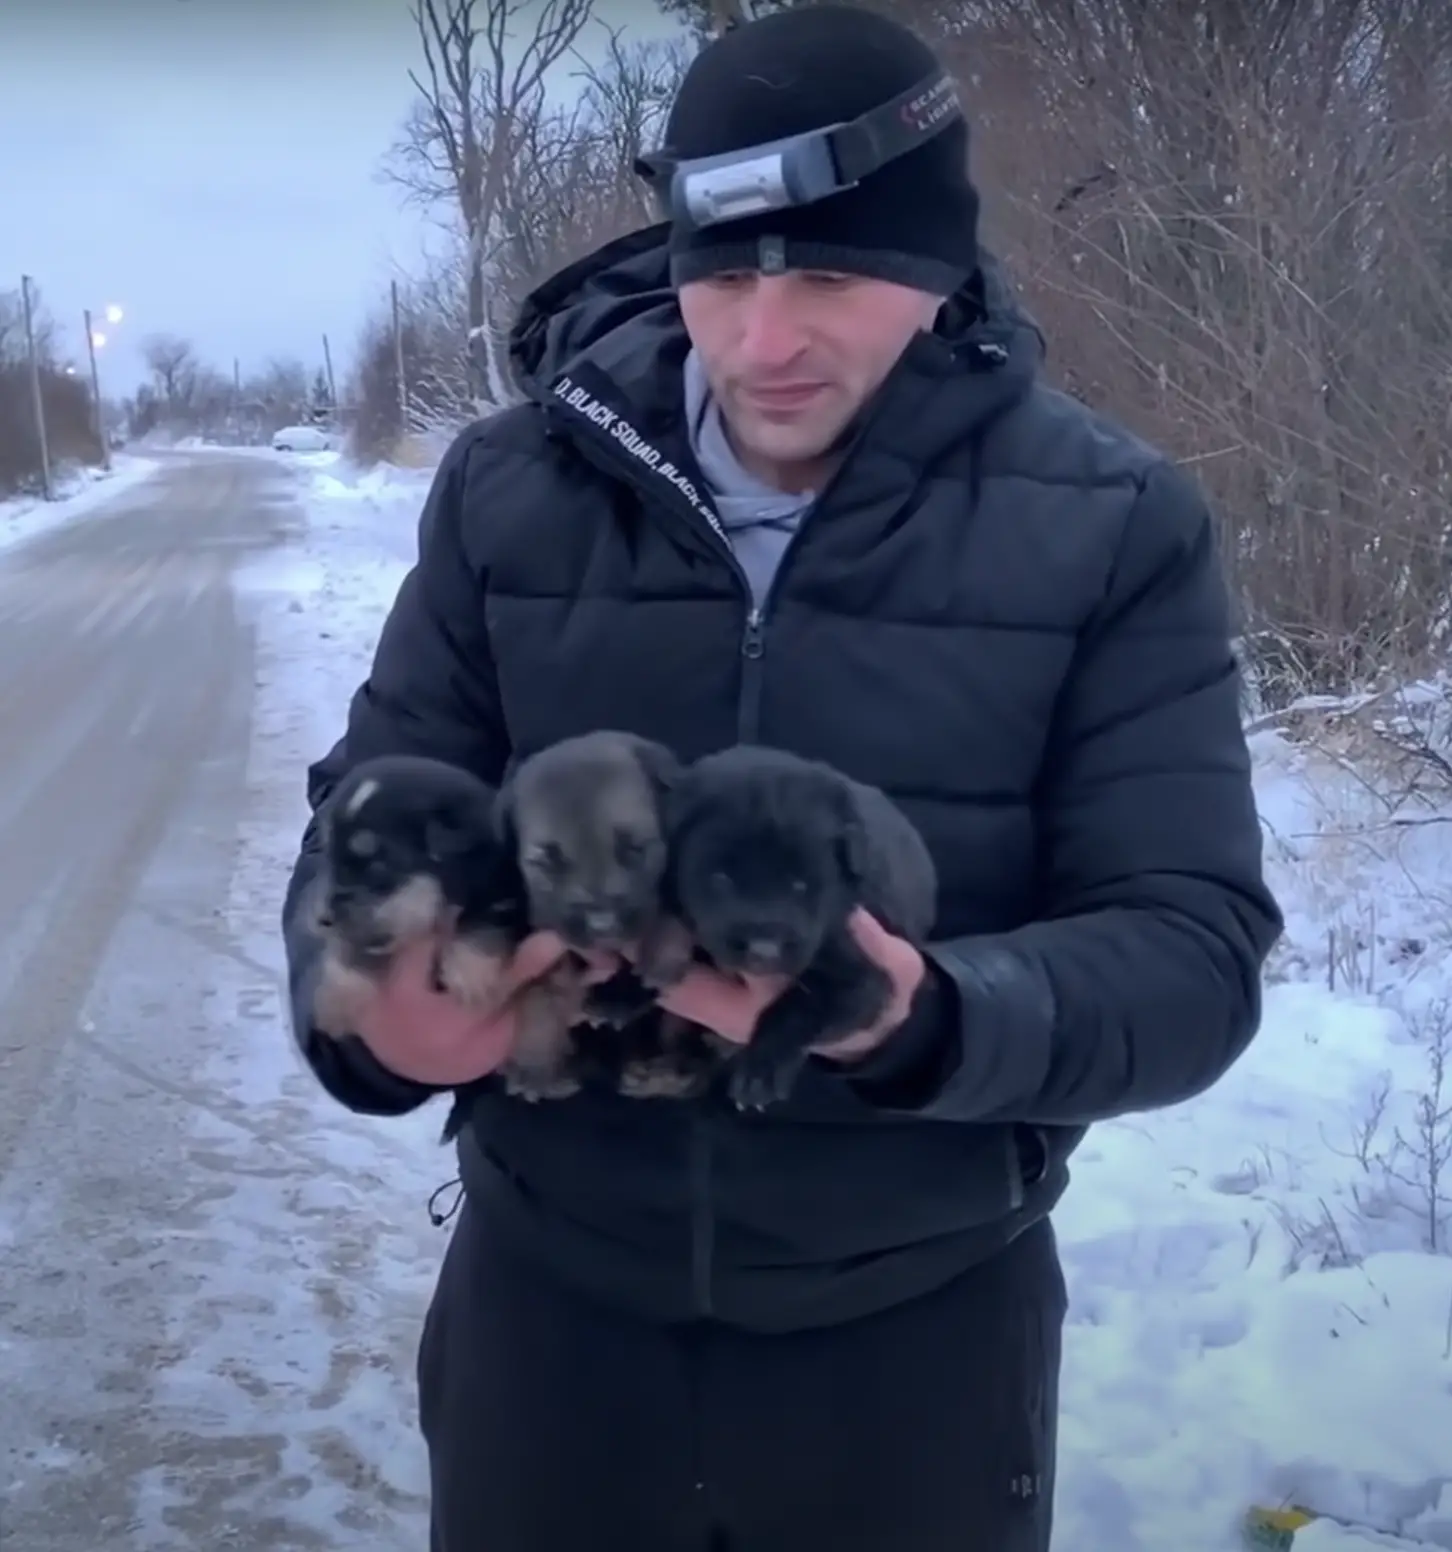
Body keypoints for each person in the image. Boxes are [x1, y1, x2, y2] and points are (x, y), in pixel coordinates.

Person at [280, 8, 1283, 1550]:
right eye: (724, 272)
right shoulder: (511, 490)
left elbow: (1193, 954)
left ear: (936, 259)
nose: (761, 340)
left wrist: (924, 1020)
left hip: (915, 1346)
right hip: (552, 1329)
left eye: (826, 275)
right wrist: (371, 1014)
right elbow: (369, 820)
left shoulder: (1112, 524)